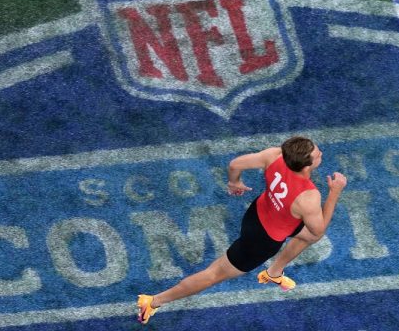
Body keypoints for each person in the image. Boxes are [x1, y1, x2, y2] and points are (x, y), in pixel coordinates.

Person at [137, 136, 348, 324]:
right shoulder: (309, 197)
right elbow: (319, 228)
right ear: (306, 166)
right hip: (262, 241)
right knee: (213, 274)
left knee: (309, 236)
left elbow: (235, 164)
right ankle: (154, 301)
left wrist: (234, 182)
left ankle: (274, 272)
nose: (320, 152)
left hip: (257, 214)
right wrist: (335, 192)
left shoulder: (274, 155)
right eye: (317, 154)